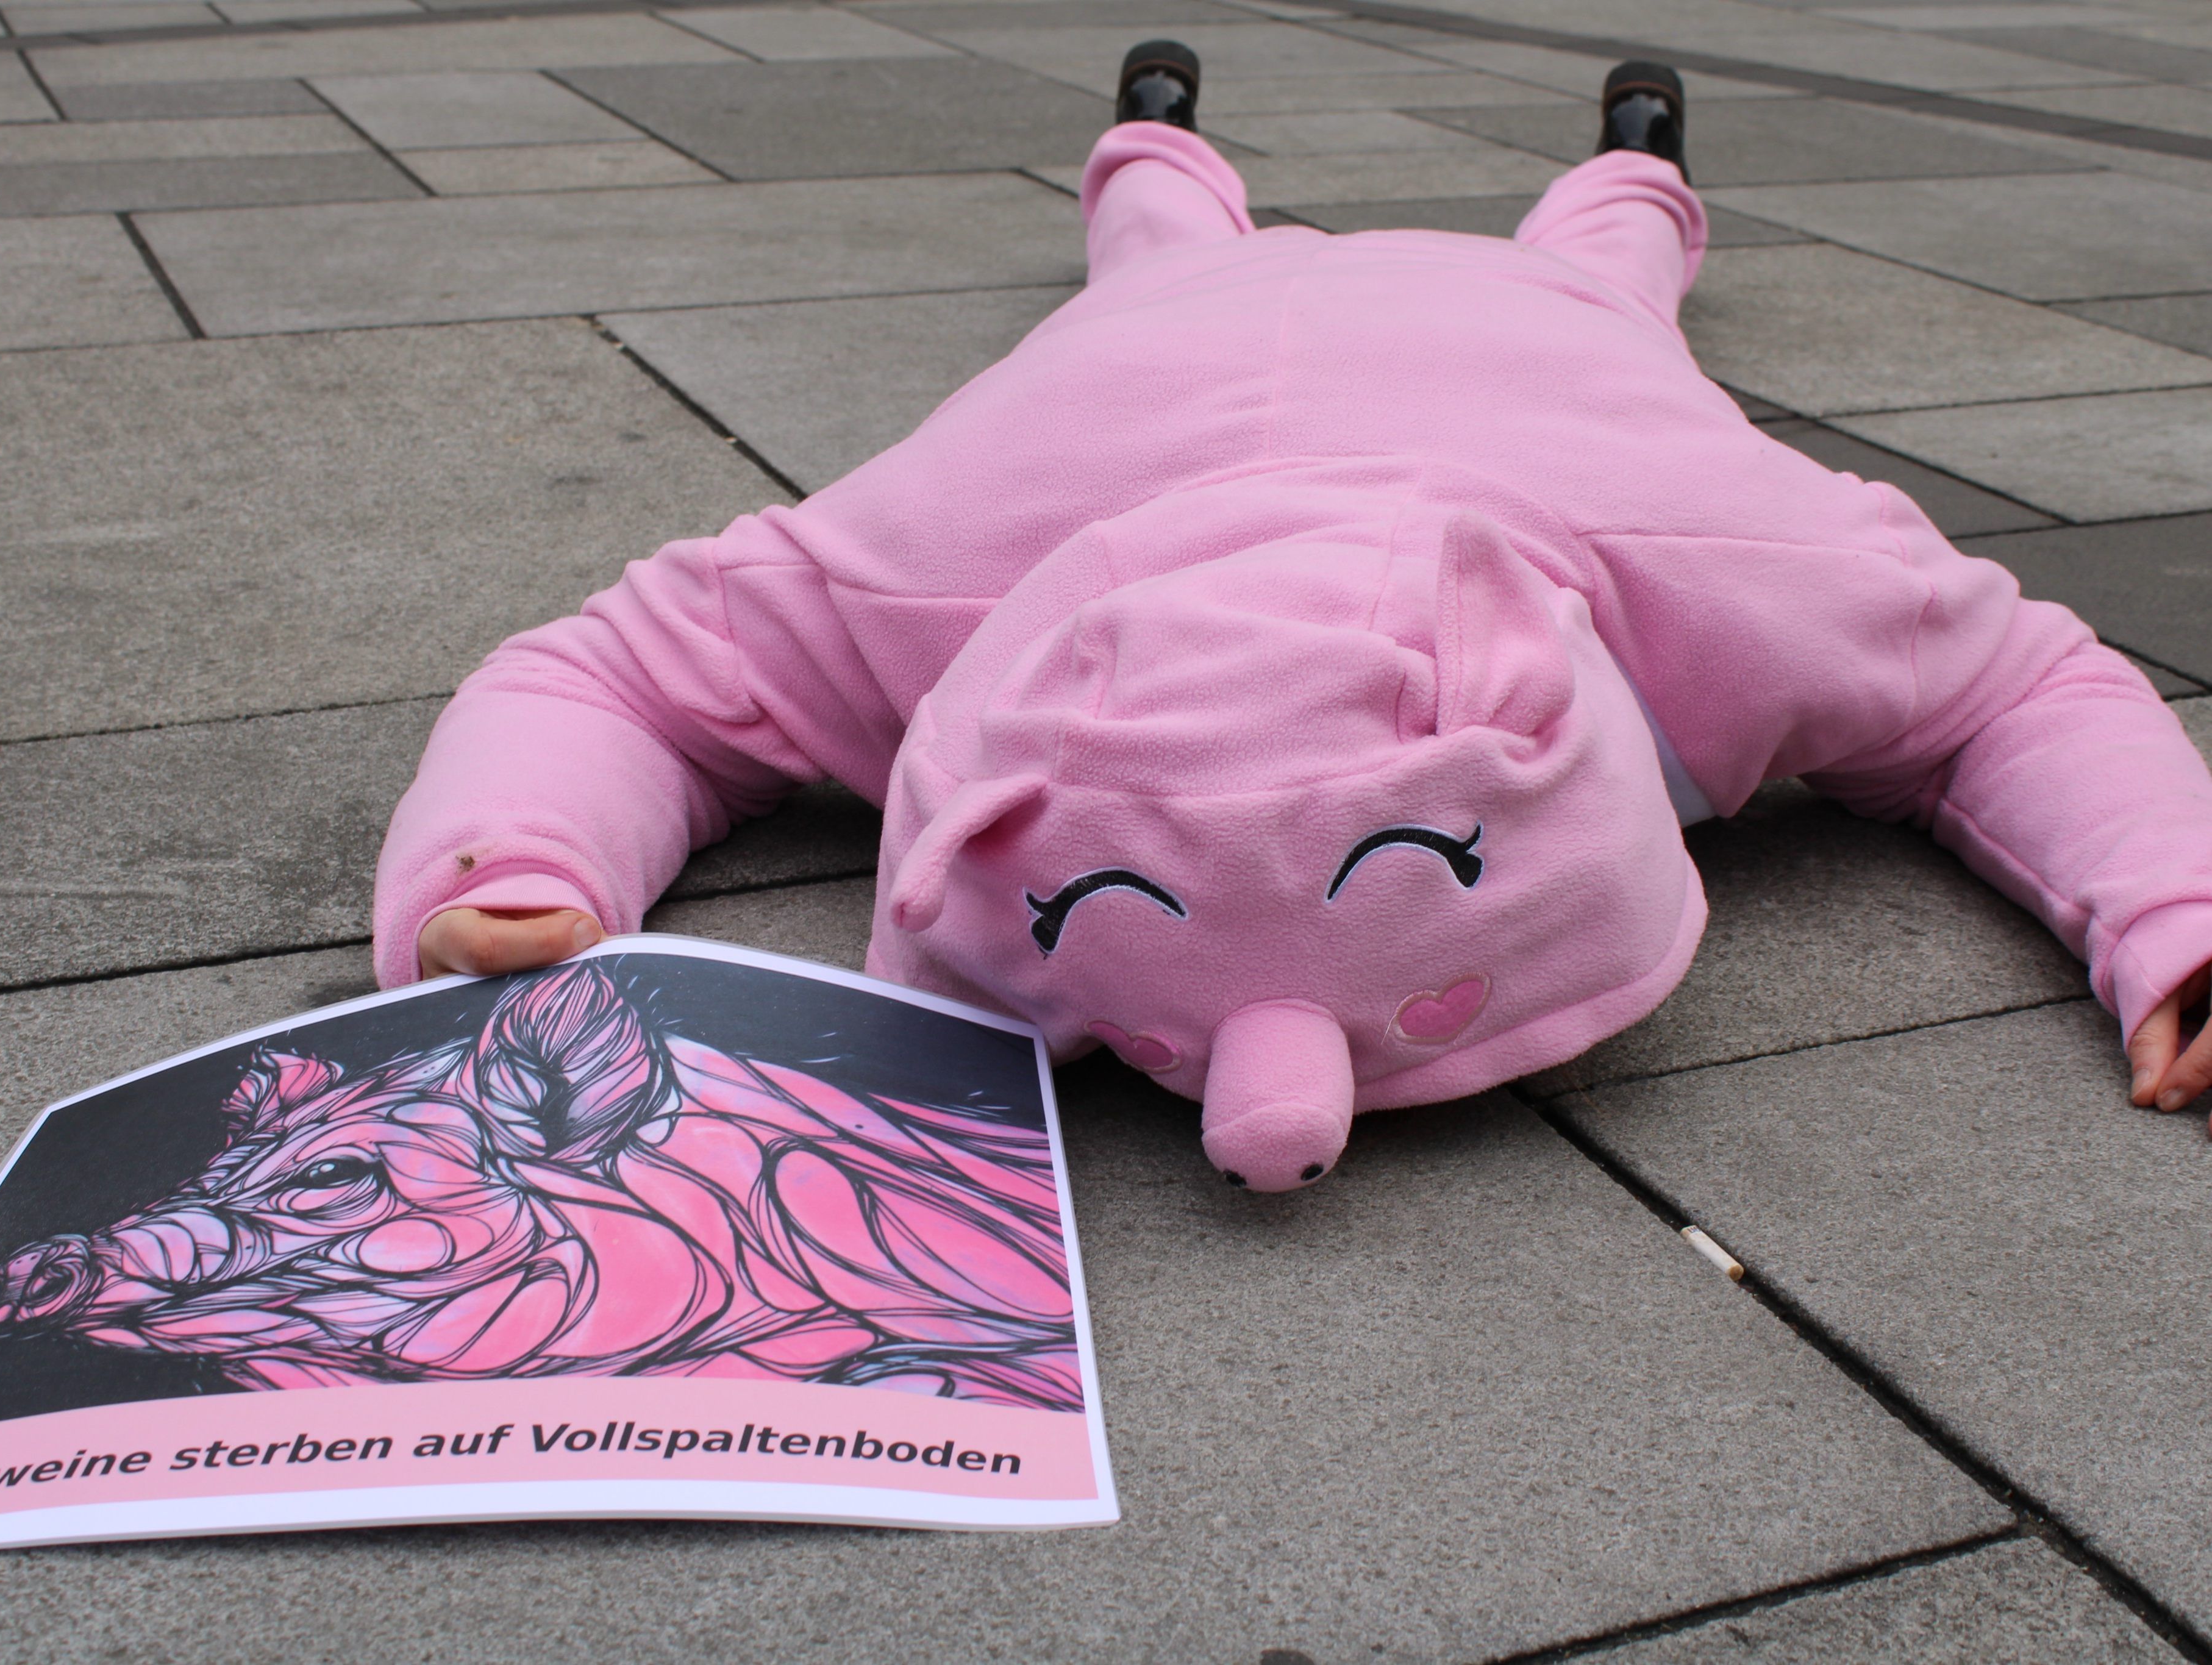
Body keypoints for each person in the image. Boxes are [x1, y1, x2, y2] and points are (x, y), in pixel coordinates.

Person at [376, 48, 2212, 1191]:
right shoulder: (921, 575)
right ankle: (1162, 150)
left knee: (1596, 276)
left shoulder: (1726, 559)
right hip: (1160, 369)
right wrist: (526, 853)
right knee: (1171, 264)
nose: (1269, 1115)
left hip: (1533, 359)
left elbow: (2024, 690)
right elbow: (597, 682)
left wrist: (2184, 913)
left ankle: (1623, 163)